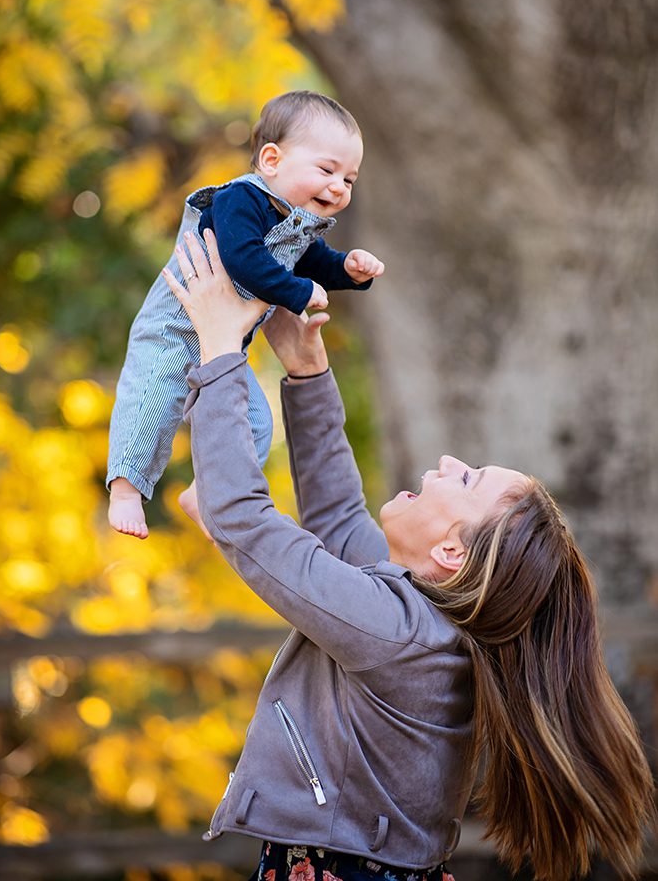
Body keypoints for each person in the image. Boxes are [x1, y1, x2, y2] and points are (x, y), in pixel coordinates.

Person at [163, 230, 654, 881]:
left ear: (451, 551)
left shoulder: (398, 633)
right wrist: (306, 372)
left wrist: (220, 345)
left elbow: (241, 518)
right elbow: (337, 519)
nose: (447, 462)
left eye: (467, 478)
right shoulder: (418, 621)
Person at [107, 90, 384, 538]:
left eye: (350, 180)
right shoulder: (241, 200)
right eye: (327, 170)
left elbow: (316, 262)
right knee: (153, 400)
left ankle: (205, 493)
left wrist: (350, 270)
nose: (338, 187)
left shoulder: (296, 222)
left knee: (256, 424)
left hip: (223, 348)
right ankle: (125, 490)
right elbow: (242, 259)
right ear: (272, 160)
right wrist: (297, 291)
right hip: (175, 331)